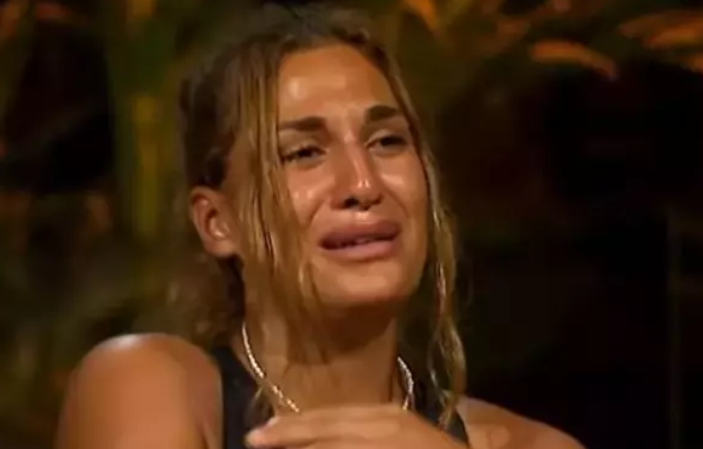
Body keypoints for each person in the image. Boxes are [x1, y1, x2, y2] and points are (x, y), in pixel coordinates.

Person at [55, 3, 584, 449]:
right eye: (303, 152)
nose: (364, 184)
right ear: (218, 223)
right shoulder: (149, 386)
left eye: (387, 142)